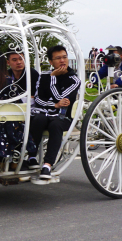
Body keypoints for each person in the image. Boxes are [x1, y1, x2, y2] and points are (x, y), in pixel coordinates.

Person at [27, 45, 81, 183]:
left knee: (55, 125)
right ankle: (31, 157)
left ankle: (47, 165)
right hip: (44, 113)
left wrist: (52, 78)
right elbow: (38, 99)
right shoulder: (44, 75)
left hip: (63, 117)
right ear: (51, 62)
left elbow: (60, 98)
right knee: (38, 119)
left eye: (64, 57)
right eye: (58, 58)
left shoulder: (74, 80)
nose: (62, 61)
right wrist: (54, 105)